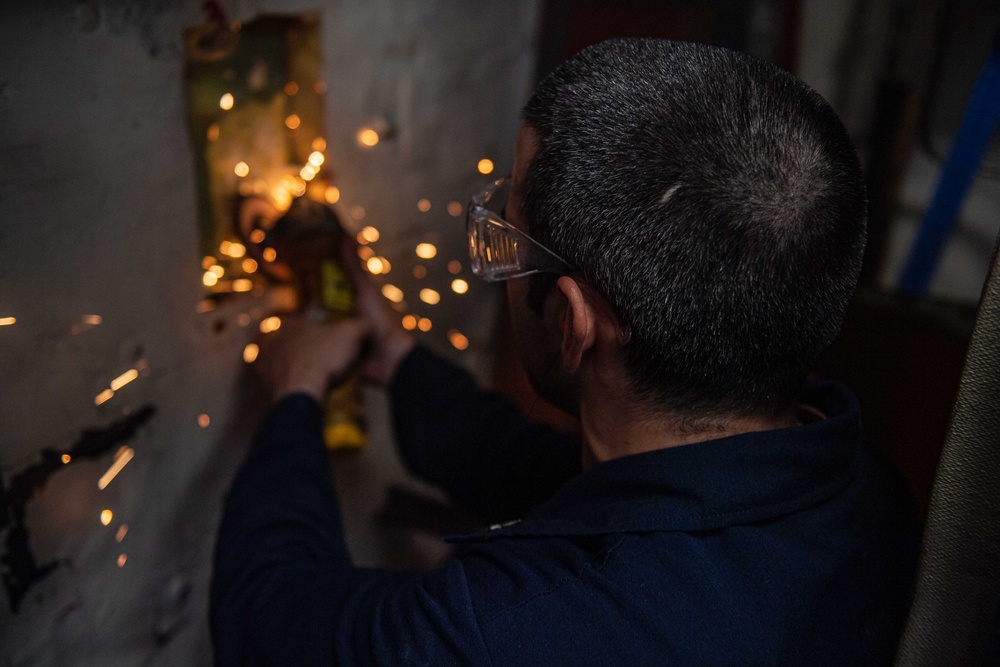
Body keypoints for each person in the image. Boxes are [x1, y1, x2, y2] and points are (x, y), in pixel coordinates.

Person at [211, 39, 920, 665]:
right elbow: (561, 484)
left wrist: (293, 399)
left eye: (507, 233)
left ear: (573, 321)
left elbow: (269, 622)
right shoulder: (856, 477)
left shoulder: (508, 631)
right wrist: (399, 361)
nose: (501, 254)